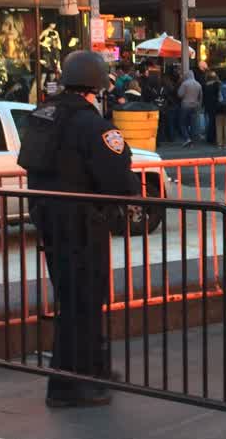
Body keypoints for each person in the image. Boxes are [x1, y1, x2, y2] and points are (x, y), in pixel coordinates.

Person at [16, 50, 140, 407]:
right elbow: (119, 177)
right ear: (97, 87)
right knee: (83, 302)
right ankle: (69, 385)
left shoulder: (45, 115)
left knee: (72, 299)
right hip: (83, 225)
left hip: (51, 220)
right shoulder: (93, 125)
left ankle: (92, 370)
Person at [176, 69, 202, 147]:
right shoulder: (198, 84)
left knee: (183, 123)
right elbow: (200, 97)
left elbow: (179, 94)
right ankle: (193, 141)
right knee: (193, 124)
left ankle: (187, 139)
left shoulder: (185, 84)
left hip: (185, 105)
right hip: (195, 106)